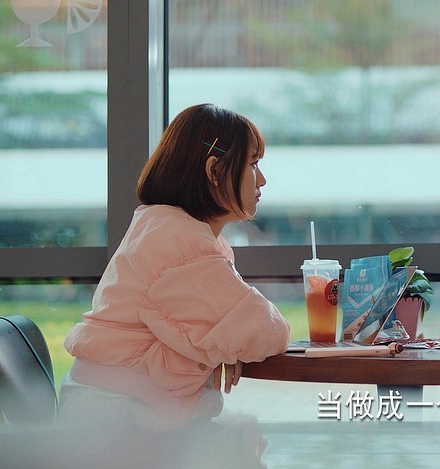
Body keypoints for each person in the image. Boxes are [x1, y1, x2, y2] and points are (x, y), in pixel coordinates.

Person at [59, 103, 290, 427]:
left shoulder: (163, 225)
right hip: (118, 421)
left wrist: (226, 348)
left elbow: (229, 330)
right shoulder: (181, 242)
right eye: (252, 164)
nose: (262, 180)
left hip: (110, 408)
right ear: (213, 171)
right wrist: (229, 346)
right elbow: (266, 330)